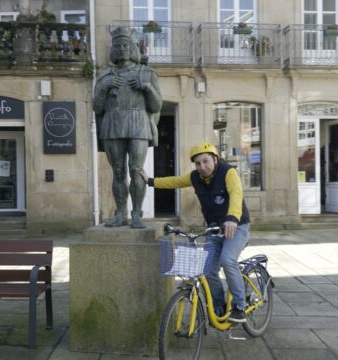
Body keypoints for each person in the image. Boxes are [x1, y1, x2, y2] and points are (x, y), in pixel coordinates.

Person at [141, 142, 250, 323]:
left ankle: (240, 306)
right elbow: (175, 181)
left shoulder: (228, 172)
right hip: (215, 228)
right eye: (198, 163)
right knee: (208, 270)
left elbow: (236, 193)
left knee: (227, 260)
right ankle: (219, 306)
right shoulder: (195, 177)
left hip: (237, 227)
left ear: (215, 159)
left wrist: (232, 217)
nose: (202, 167)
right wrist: (150, 181)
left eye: (206, 161)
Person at [93, 26, 162, 229]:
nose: (121, 49)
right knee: (119, 172)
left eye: (125, 45)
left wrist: (147, 87)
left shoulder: (147, 73)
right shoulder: (105, 76)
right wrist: (104, 89)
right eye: (118, 45)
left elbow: (156, 106)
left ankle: (137, 214)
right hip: (113, 123)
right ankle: (121, 213)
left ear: (133, 48)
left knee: (137, 169)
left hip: (138, 122)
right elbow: (97, 107)